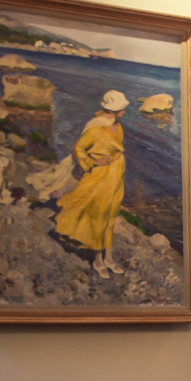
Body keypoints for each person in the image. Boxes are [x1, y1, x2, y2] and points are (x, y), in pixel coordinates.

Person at [54, 91, 130, 264]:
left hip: (115, 173)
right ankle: (97, 259)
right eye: (122, 108)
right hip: (100, 175)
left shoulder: (116, 125)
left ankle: (109, 258)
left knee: (111, 213)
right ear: (116, 109)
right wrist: (92, 162)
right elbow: (79, 149)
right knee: (98, 215)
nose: (124, 111)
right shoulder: (96, 127)